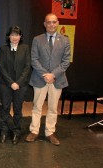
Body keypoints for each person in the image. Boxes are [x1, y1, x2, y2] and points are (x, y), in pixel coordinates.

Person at [26, 13, 71, 146]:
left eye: (54, 22)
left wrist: (53, 75)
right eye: (49, 22)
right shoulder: (37, 39)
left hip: (57, 80)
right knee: (37, 106)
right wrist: (45, 74)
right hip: (40, 78)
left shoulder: (65, 40)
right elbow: (34, 59)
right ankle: (34, 131)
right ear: (44, 24)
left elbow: (66, 61)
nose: (51, 24)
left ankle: (50, 132)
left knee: (52, 108)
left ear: (58, 23)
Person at [0, 26, 31, 145]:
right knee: (5, 108)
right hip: (6, 84)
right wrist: (11, 83)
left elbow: (27, 67)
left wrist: (18, 83)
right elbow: (1, 67)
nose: (14, 37)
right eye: (12, 35)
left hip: (20, 85)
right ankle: (4, 131)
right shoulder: (3, 48)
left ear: (20, 36)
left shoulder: (25, 48)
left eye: (17, 35)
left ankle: (16, 131)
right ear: (8, 36)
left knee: (18, 109)